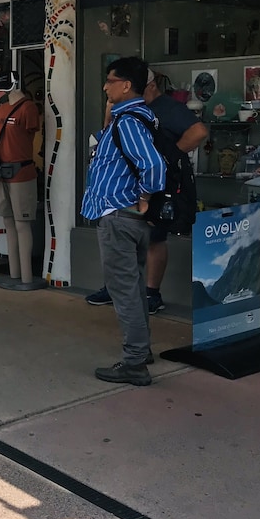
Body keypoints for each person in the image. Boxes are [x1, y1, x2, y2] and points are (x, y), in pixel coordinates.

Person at [87, 69, 207, 313]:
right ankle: (115, 287)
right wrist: (109, 112)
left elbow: (199, 132)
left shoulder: (167, 107)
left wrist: (169, 157)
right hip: (126, 188)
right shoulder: (129, 110)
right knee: (123, 239)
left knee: (154, 237)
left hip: (155, 184)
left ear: (149, 85)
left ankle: (152, 292)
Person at [81, 56, 166, 386]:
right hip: (125, 217)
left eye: (110, 81)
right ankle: (141, 351)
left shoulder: (128, 122)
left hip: (120, 216)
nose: (105, 87)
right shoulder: (128, 119)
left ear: (126, 85)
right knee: (134, 288)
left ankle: (134, 362)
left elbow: (153, 165)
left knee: (124, 291)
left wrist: (144, 197)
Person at [0, 72, 44, 290]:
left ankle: (27, 276)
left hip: (22, 172)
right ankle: (14, 273)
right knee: (8, 221)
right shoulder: (2, 109)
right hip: (2, 171)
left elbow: (33, 133)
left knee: (22, 223)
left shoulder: (28, 108)